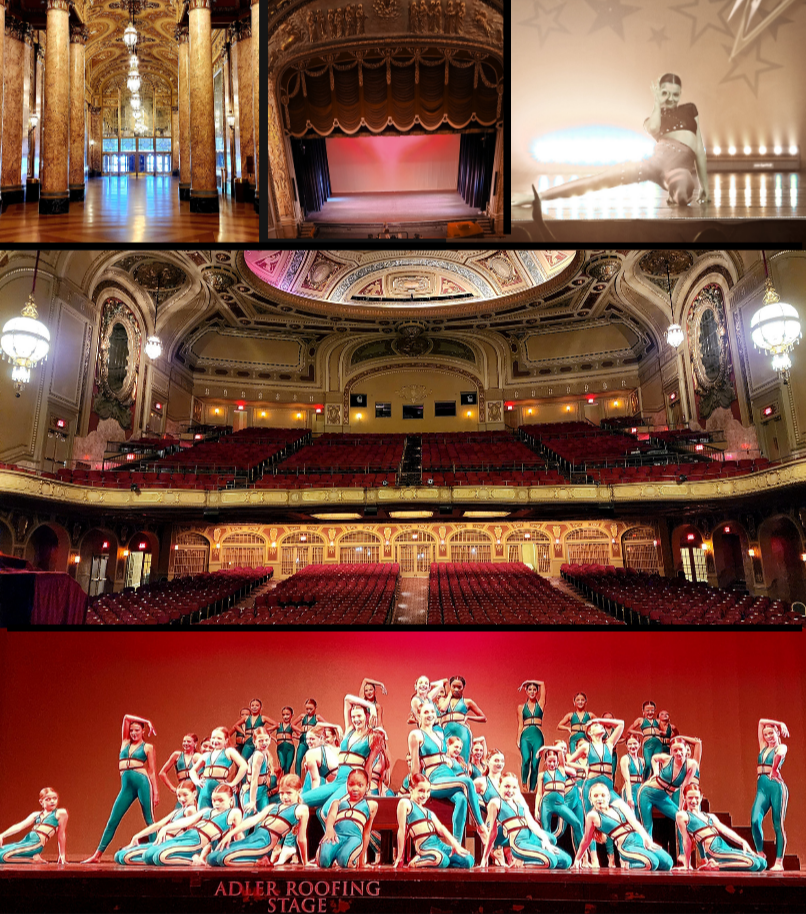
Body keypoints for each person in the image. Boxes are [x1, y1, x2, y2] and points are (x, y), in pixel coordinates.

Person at [529, 74, 710, 208]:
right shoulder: (654, 118)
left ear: (680, 94)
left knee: (684, 189)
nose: (670, 99)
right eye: (665, 93)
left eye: (675, 95)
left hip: (677, 170)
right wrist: (657, 103)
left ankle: (675, 192)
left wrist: (705, 185)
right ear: (658, 92)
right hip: (653, 164)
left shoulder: (690, 109)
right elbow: (654, 128)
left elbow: (699, 150)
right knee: (600, 179)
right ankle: (538, 196)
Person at [82, 714, 159, 863]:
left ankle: (156, 852)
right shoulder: (125, 742)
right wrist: (147, 721)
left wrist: (155, 792)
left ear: (143, 731)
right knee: (113, 820)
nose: (134, 733)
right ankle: (97, 855)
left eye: (137, 730)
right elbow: (125, 717)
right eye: (131, 730)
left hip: (142, 782)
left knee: (150, 819)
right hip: (126, 786)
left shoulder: (148, 747)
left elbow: (152, 771)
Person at [408, 701, 488, 843]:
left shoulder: (439, 733)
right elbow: (415, 766)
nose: (430, 715)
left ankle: (456, 845)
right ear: (418, 715)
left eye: (432, 712)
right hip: (434, 779)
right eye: (426, 712)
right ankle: (481, 827)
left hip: (449, 776)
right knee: (468, 782)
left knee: (462, 799)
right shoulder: (416, 735)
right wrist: (417, 788)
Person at [208, 774, 309, 867]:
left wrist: (305, 862)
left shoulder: (301, 809)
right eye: (281, 793)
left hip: (265, 842)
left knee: (224, 859)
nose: (285, 797)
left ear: (299, 791)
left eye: (289, 793)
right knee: (211, 858)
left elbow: (301, 839)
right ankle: (257, 859)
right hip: (253, 837)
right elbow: (253, 820)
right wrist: (231, 834)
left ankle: (260, 862)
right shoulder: (274, 806)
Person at [302, 698, 376, 821]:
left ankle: (336, 839)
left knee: (325, 811)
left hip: (351, 782)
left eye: (359, 716)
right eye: (353, 717)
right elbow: (347, 698)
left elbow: (369, 766)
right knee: (301, 801)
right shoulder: (349, 731)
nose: (356, 719)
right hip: (338, 781)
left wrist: (366, 786)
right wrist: (370, 705)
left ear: (367, 716)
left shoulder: (371, 736)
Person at [480, 772, 572, 869]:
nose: (510, 790)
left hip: (531, 839)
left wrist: (545, 840)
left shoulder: (519, 803)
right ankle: (520, 864)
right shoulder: (495, 803)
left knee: (566, 861)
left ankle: (529, 860)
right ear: (499, 785)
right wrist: (485, 858)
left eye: (514, 787)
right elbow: (492, 833)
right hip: (519, 843)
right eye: (507, 786)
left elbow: (532, 823)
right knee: (550, 861)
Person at [573, 782, 673, 870]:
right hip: (626, 846)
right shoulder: (592, 816)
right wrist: (577, 859)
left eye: (603, 795)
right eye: (596, 796)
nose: (599, 798)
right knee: (652, 863)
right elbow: (586, 840)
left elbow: (634, 822)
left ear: (608, 797)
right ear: (590, 799)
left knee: (668, 863)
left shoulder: (618, 804)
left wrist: (646, 838)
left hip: (639, 840)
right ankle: (629, 865)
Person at [142, 783, 241, 866]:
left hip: (196, 841)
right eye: (214, 800)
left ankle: (193, 861)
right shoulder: (207, 810)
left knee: (160, 857)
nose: (217, 804)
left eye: (221, 800)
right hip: (187, 835)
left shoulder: (233, 812)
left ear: (231, 800)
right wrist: (166, 828)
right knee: (148, 855)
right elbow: (188, 821)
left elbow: (238, 836)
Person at [677, 783, 766, 871]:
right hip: (714, 850)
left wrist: (742, 842)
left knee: (762, 863)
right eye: (690, 798)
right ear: (684, 798)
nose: (693, 801)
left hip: (724, 846)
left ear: (701, 797)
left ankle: (715, 865)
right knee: (753, 863)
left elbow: (725, 830)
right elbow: (687, 840)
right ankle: (715, 866)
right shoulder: (683, 815)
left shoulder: (709, 816)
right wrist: (687, 865)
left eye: (696, 797)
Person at [395, 774, 474, 868]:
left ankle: (443, 861)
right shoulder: (405, 803)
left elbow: (441, 828)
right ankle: (417, 861)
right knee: (441, 859)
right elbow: (402, 830)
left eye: (428, 791)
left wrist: (456, 845)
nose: (425, 795)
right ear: (411, 790)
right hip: (425, 847)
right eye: (421, 791)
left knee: (468, 859)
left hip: (438, 844)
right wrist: (399, 857)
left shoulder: (429, 812)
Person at [636, 735, 702, 839]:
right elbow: (654, 758)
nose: (678, 753)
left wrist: (681, 808)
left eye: (681, 749)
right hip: (647, 793)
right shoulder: (667, 759)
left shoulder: (691, 765)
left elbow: (684, 788)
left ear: (686, 750)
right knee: (647, 827)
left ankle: (684, 853)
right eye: (675, 750)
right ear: (671, 751)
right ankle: (648, 853)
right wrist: (656, 773)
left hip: (663, 798)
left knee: (682, 819)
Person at [115, 783, 198, 865]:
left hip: (169, 845)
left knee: (126, 857)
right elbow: (157, 825)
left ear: (194, 794)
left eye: (185, 795)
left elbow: (188, 836)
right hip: (161, 843)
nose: (181, 799)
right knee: (119, 855)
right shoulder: (178, 811)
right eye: (179, 796)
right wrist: (137, 836)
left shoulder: (191, 810)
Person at [316, 770, 378, 868]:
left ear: (367, 787)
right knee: (323, 861)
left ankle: (342, 859)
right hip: (336, 836)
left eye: (360, 785)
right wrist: (329, 829)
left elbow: (366, 833)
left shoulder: (371, 805)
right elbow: (331, 816)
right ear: (346, 785)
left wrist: (361, 863)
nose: (355, 789)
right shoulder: (338, 803)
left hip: (353, 838)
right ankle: (332, 857)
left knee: (345, 862)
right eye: (351, 784)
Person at [751, 718, 789, 871]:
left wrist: (774, 769)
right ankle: (760, 853)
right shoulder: (763, 747)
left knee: (777, 824)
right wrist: (780, 722)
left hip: (776, 787)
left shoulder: (782, 747)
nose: (768, 736)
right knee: (754, 820)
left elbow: (780, 755)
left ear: (777, 733)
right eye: (766, 734)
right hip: (762, 787)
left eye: (771, 733)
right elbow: (760, 721)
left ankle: (779, 861)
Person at [535, 743, 583, 853]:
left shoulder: (561, 769)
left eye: (554, 761)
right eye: (549, 761)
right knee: (545, 831)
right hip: (546, 803)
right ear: (545, 761)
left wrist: (544, 748)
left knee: (577, 824)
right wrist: (537, 808)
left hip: (560, 803)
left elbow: (560, 751)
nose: (552, 763)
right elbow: (539, 793)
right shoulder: (542, 775)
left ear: (558, 762)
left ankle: (581, 856)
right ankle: (548, 855)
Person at [0, 787, 67, 864]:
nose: (52, 801)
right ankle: (33, 857)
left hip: (36, 843)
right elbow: (20, 826)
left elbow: (61, 834)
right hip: (26, 841)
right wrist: (2, 835)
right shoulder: (36, 814)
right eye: (48, 799)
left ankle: (34, 860)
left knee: (3, 857)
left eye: (54, 798)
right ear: (41, 802)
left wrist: (62, 855)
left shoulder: (60, 813)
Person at [190, 726, 248, 809]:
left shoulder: (229, 751)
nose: (215, 741)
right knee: (203, 816)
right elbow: (192, 771)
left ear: (226, 740)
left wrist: (233, 783)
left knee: (223, 814)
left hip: (221, 790)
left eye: (219, 738)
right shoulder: (206, 755)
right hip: (205, 791)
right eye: (213, 738)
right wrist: (197, 781)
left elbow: (244, 766)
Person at [437, 676, 487, 766]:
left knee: (463, 757)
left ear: (463, 687)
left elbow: (483, 718)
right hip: (446, 729)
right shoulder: (443, 700)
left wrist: (468, 718)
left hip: (462, 731)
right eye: (453, 686)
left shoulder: (467, 702)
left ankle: (464, 775)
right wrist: (449, 695)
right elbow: (442, 709)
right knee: (445, 754)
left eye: (459, 687)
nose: (456, 689)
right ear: (450, 686)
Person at [240, 727, 280, 814]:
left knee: (263, 819)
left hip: (262, 791)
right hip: (251, 790)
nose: (264, 743)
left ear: (270, 739)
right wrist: (252, 801)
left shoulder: (266, 754)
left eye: (266, 740)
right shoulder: (258, 755)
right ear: (254, 742)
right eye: (260, 740)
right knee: (248, 818)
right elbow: (254, 780)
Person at [516, 679, 546, 792]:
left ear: (537, 692)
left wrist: (527, 681)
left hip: (537, 735)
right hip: (525, 735)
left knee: (535, 763)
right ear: (526, 691)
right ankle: (524, 783)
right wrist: (518, 739)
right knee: (526, 759)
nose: (532, 692)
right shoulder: (521, 707)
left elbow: (542, 684)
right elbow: (520, 724)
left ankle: (532, 789)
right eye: (529, 689)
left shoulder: (541, 704)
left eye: (534, 689)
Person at [158, 733, 202, 809]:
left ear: (195, 743)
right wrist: (172, 788)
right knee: (179, 810)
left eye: (188, 741)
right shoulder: (177, 755)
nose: (186, 743)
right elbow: (162, 773)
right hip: (183, 787)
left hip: (195, 787)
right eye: (184, 741)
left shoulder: (197, 756)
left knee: (196, 808)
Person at [628, 700, 664, 779]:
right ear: (643, 711)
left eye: (652, 710)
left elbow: (666, 730)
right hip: (648, 744)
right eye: (647, 710)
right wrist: (639, 733)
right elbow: (629, 730)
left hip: (658, 743)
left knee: (656, 765)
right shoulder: (640, 720)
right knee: (648, 764)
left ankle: (655, 782)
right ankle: (643, 781)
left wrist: (660, 732)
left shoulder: (658, 721)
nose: (650, 712)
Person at [301, 725, 341, 791]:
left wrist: (312, 798)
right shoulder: (329, 748)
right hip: (337, 784)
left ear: (321, 738)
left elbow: (315, 781)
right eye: (307, 739)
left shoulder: (311, 753)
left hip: (338, 785)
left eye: (312, 739)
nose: (308, 742)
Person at [268, 708, 302, 776]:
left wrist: (294, 737)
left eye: (287, 714)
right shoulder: (278, 725)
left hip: (290, 748)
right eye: (283, 715)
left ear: (292, 715)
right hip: (280, 747)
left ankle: (286, 783)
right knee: (281, 765)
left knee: (287, 767)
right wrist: (273, 738)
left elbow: (300, 735)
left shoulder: (291, 726)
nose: (285, 716)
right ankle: (278, 782)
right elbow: (266, 731)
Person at [619, 734, 645, 814]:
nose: (632, 746)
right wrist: (629, 797)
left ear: (639, 744)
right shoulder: (625, 759)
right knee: (630, 816)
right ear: (626, 746)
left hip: (639, 791)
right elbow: (627, 780)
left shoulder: (642, 761)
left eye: (635, 743)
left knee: (638, 817)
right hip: (630, 790)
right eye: (629, 744)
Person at [292, 700, 319, 776]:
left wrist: (316, 732)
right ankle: (297, 779)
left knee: (311, 760)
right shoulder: (303, 716)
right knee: (298, 759)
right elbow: (292, 725)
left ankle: (312, 778)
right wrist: (299, 731)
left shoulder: (317, 717)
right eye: (307, 709)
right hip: (303, 740)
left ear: (315, 708)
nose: (309, 711)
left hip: (312, 741)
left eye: (311, 709)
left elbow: (325, 725)